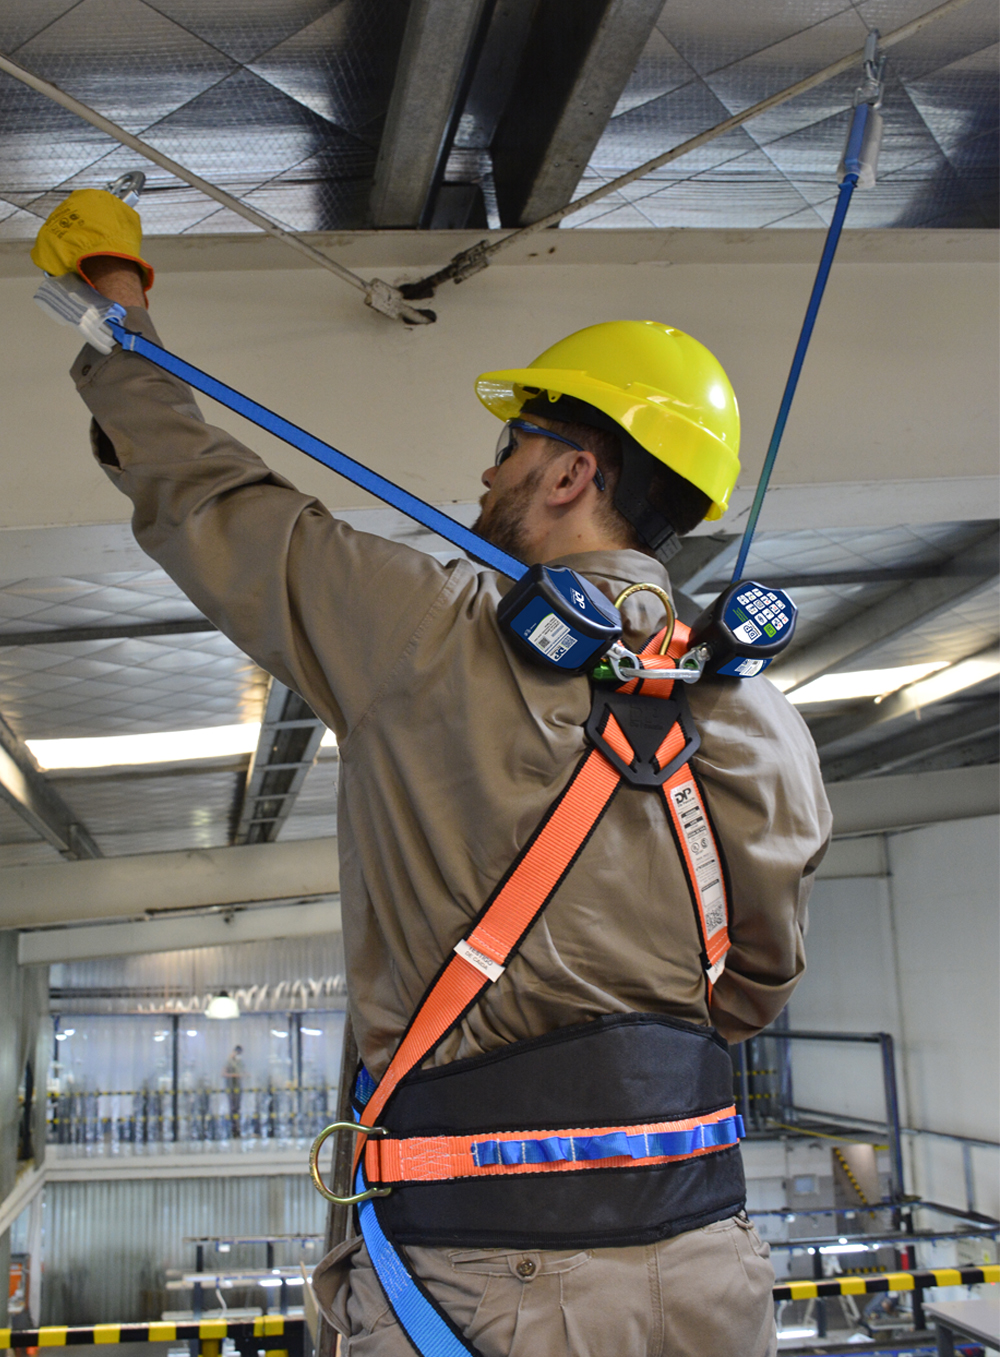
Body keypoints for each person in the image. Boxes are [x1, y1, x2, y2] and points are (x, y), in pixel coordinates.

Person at [33, 191, 831, 1357]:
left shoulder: (428, 627)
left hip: (491, 1286)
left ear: (571, 472)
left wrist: (115, 307)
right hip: (713, 1274)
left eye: (511, 446)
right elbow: (753, 987)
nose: (486, 472)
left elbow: (210, 498)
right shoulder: (763, 716)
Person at [222, 1045, 244, 1138]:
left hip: (238, 1086)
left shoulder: (240, 1062)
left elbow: (242, 1072)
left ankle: (237, 1129)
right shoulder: (228, 1061)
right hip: (231, 1087)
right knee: (232, 1108)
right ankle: (233, 1129)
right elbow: (223, 1073)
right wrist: (235, 1075)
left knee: (237, 1108)